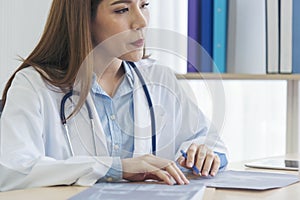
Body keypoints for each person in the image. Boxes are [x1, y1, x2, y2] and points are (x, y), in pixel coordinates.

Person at [0, 0, 228, 191]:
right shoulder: (35, 85)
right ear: (84, 20)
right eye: (122, 9)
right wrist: (114, 168)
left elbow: (212, 142)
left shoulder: (159, 79)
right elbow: (11, 170)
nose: (142, 21)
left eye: (144, 5)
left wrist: (203, 154)